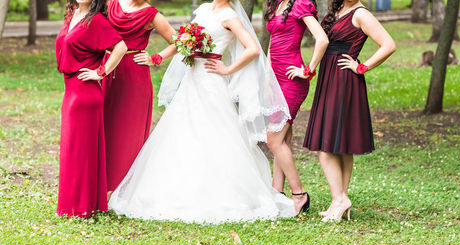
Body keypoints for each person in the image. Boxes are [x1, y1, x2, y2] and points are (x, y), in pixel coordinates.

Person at [108, 0, 296, 224]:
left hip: (212, 80)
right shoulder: (205, 10)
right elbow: (182, 40)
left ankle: (219, 193)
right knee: (181, 132)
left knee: (213, 132)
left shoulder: (229, 16)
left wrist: (227, 68)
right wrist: (157, 57)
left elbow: (253, 49)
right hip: (191, 80)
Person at [303, 0, 396, 222]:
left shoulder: (361, 14)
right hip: (330, 78)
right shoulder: (339, 9)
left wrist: (362, 66)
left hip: (344, 80)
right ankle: (340, 200)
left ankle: (340, 199)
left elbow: (388, 45)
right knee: (340, 144)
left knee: (324, 144)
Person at [55, 0, 127, 217]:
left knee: (81, 152)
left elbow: (121, 47)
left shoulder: (96, 21)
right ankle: (73, 204)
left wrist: (101, 71)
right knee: (72, 150)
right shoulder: (73, 13)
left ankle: (81, 207)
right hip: (71, 92)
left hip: (85, 93)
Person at [103, 0, 177, 198]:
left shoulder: (151, 15)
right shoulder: (110, 3)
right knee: (105, 126)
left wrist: (155, 58)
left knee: (128, 131)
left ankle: (123, 189)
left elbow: (179, 42)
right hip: (107, 68)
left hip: (133, 75)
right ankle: (101, 182)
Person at [265, 0, 328, 214]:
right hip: (275, 80)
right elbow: (272, 44)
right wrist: (267, 78)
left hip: (292, 81)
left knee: (273, 139)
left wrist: (308, 70)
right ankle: (276, 191)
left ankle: (300, 194)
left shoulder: (300, 4)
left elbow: (322, 39)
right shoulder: (277, 4)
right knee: (283, 139)